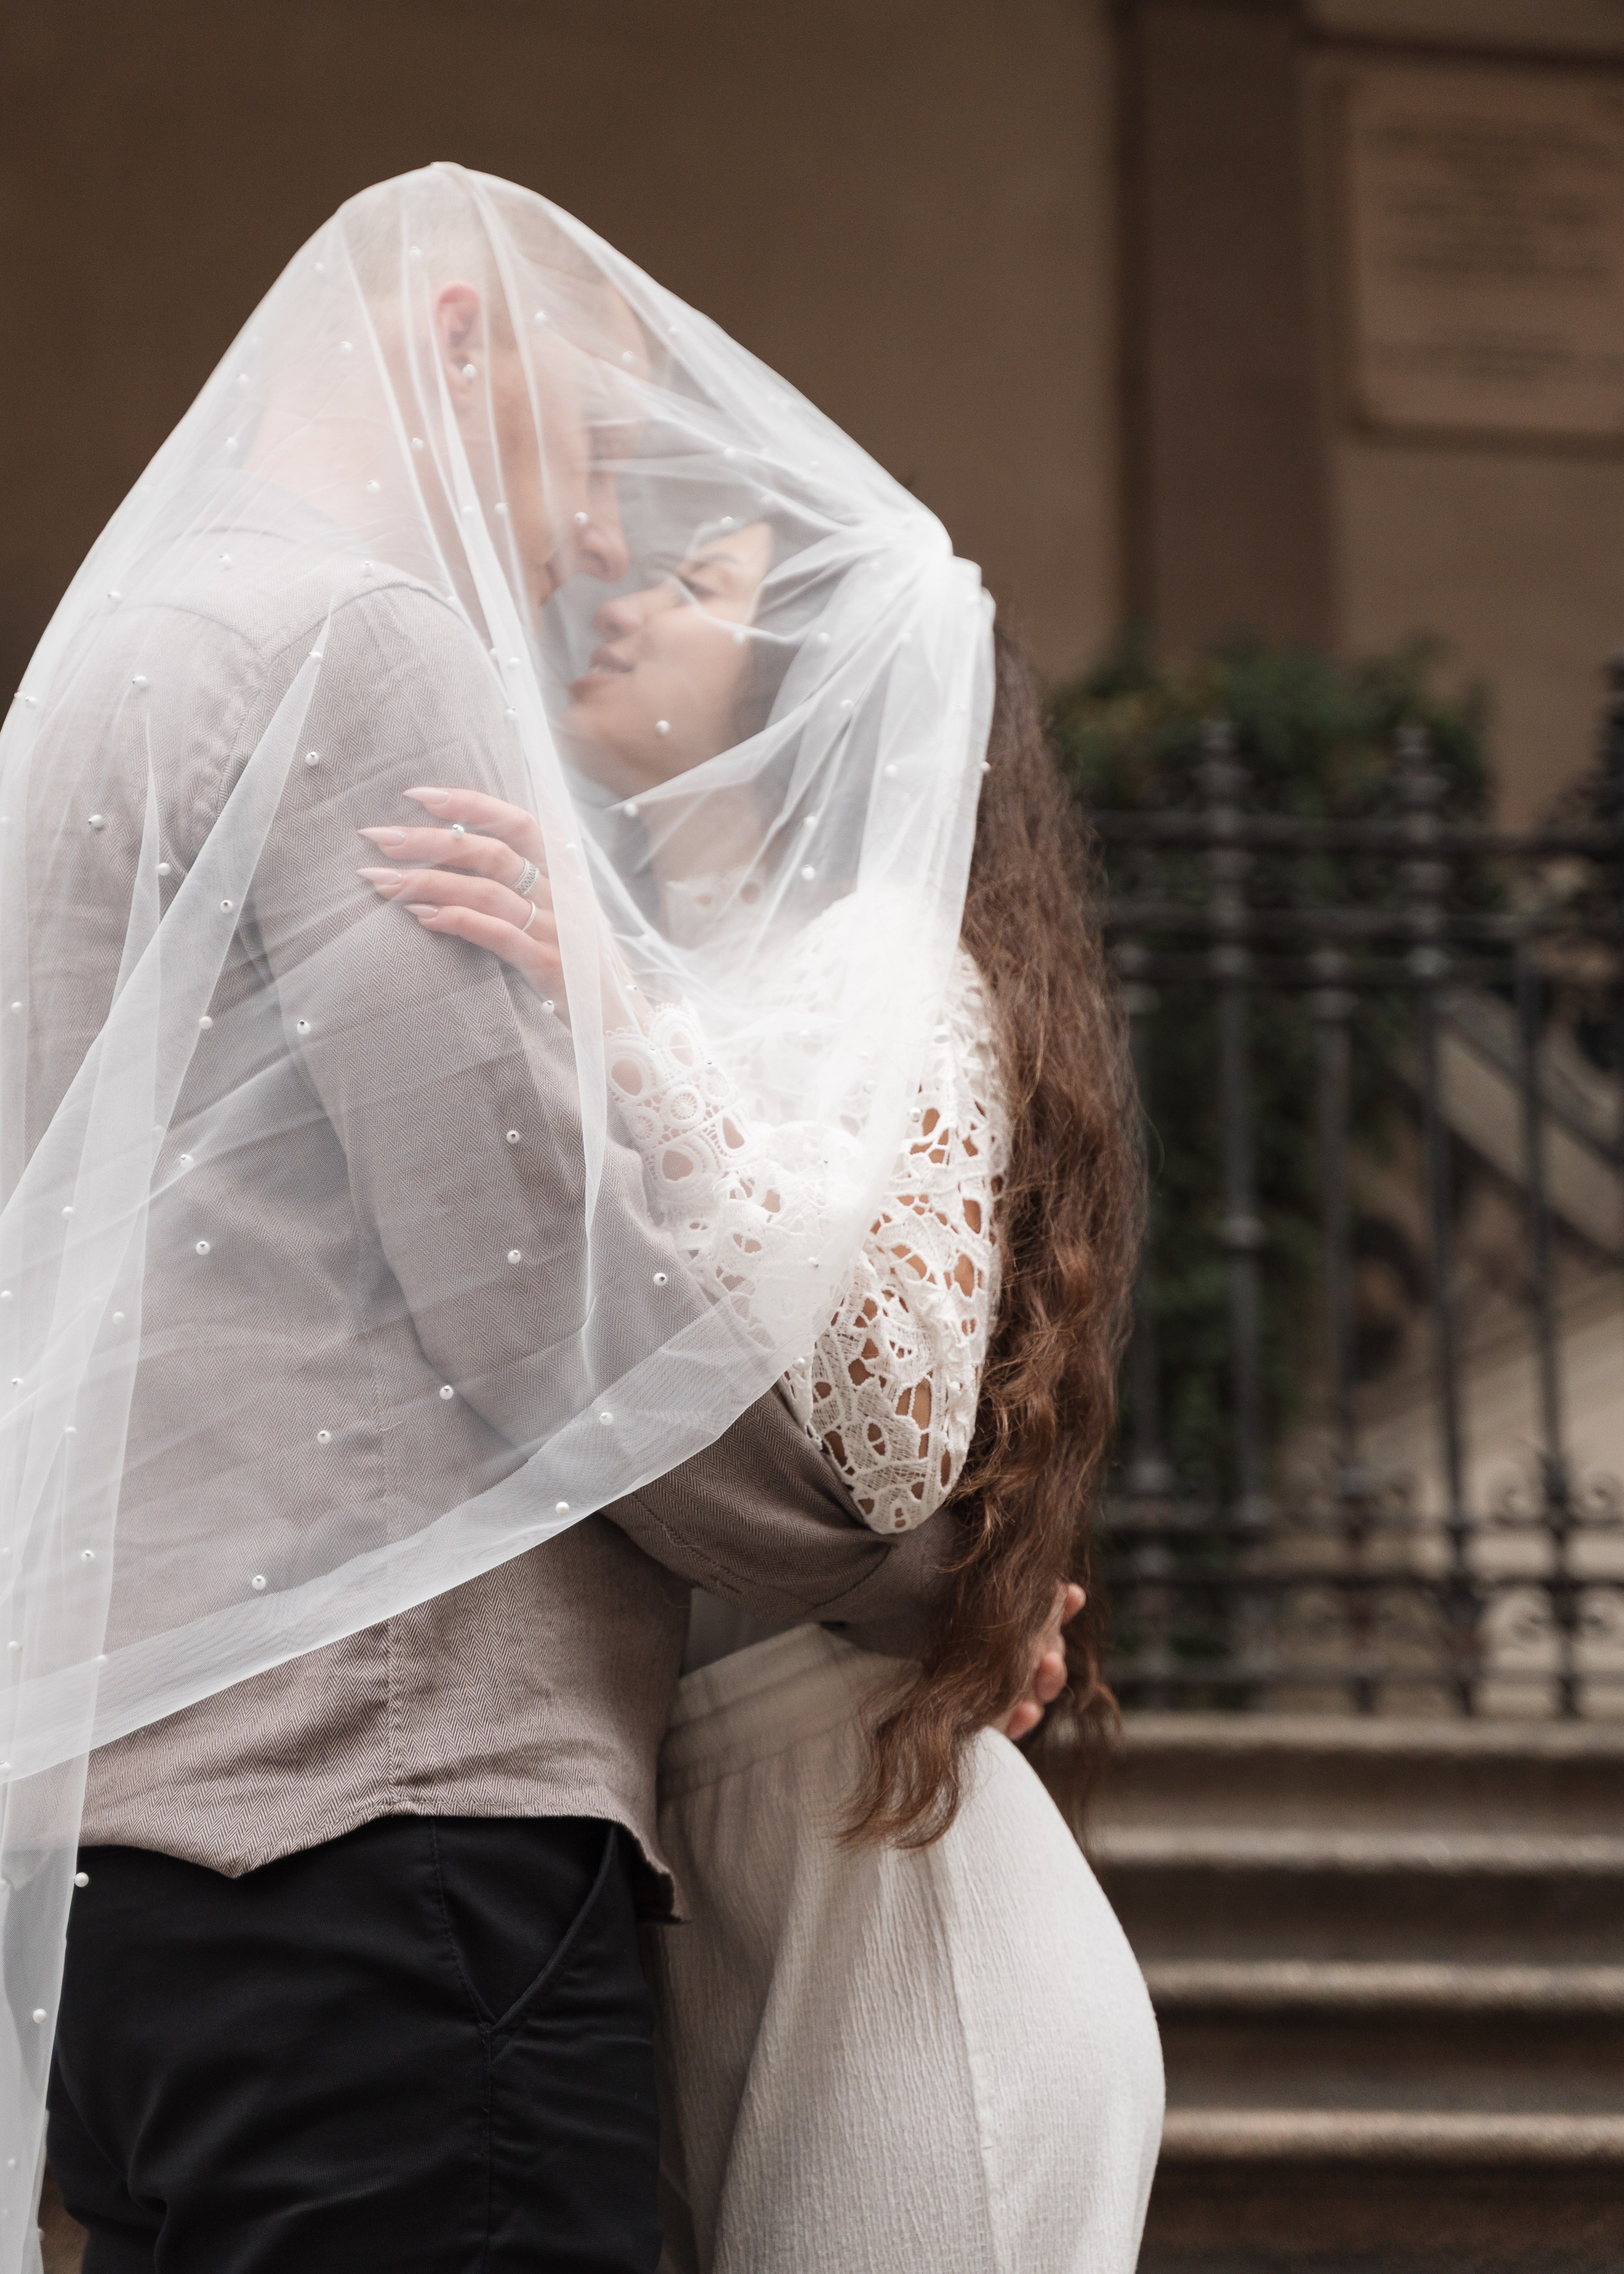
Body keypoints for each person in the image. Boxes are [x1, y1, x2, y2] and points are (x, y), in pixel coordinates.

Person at [1, 168, 1069, 2273]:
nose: (591, 548)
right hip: (380, 1830)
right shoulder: (363, 646)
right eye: (591, 460)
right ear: (460, 340)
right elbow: (552, 1311)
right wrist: (942, 1569)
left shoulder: (100, 662)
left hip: (109, 1865)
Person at [357, 521, 1164, 2269]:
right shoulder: (664, 964)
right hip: (718, 1867)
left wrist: (622, 1022)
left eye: (695, 584)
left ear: (817, 679)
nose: (621, 598)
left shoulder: (876, 964)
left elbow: (886, 1445)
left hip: (898, 1907)